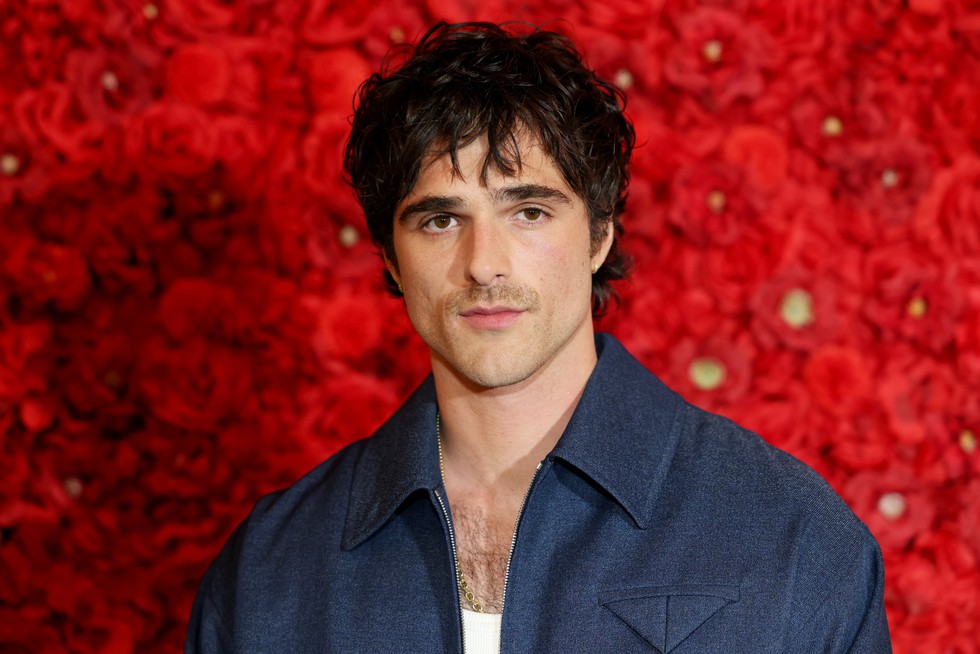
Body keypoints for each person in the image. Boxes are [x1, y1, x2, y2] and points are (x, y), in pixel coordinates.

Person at [185, 22, 892, 653]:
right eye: (440, 220)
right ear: (392, 260)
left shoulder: (789, 537)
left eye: (528, 211)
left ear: (599, 234)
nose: (483, 263)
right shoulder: (271, 570)